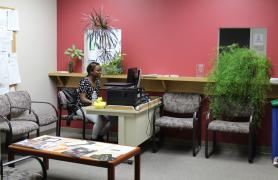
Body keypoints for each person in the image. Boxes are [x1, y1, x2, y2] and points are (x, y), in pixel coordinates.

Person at [76, 61, 110, 141]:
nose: (100, 72)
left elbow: (95, 98)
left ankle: (100, 136)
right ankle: (93, 139)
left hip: (93, 107)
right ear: (91, 71)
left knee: (111, 118)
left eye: (100, 70)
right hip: (81, 108)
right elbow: (82, 99)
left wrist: (99, 103)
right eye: (98, 70)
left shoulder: (97, 82)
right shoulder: (84, 82)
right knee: (100, 119)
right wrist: (94, 103)